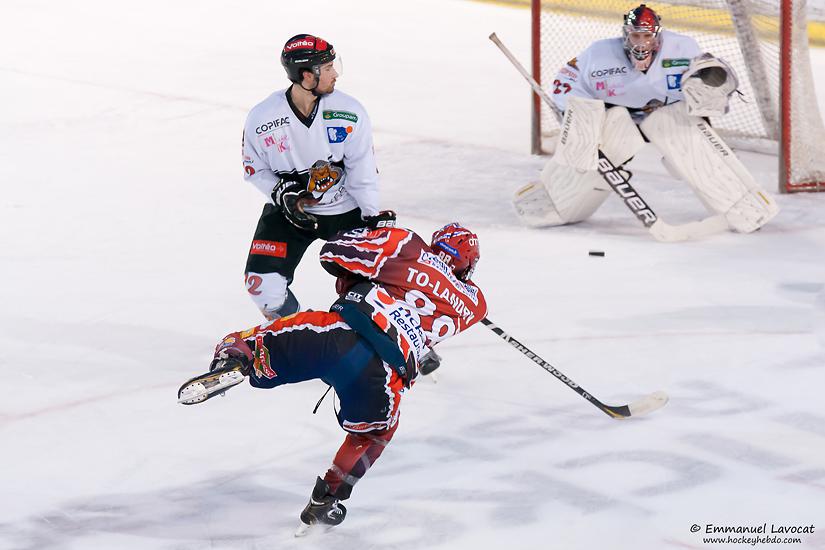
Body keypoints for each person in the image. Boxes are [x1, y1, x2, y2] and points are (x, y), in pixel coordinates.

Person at [177, 223, 487, 534]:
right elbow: (447, 304)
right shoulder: (475, 304)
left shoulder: (407, 244)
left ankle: (232, 359)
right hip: (383, 375)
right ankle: (328, 498)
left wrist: (365, 262)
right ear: (468, 263)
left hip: (338, 334)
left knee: (255, 342)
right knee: (375, 434)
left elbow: (333, 252)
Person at [513, 4, 778, 235]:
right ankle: (554, 205)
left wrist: (710, 87)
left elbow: (713, 79)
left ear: (657, 36)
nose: (641, 42)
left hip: (668, 113)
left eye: (646, 36)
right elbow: (566, 80)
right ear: (625, 35)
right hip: (618, 115)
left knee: (681, 139)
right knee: (603, 147)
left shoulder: (683, 49)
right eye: (635, 35)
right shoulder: (599, 54)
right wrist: (577, 114)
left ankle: (743, 207)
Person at [242, 33, 392, 320]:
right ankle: (297, 331)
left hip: (345, 212)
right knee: (262, 287)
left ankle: (402, 340)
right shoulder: (262, 119)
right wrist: (281, 192)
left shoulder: (349, 112)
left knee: (374, 288)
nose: (335, 74)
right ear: (307, 75)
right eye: (327, 68)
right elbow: (254, 169)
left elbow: (362, 169)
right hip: (291, 215)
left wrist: (372, 214)